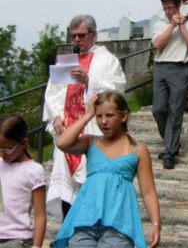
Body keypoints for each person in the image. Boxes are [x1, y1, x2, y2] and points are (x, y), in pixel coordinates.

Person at [43, 14, 126, 222]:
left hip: (93, 131)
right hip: (67, 130)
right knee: (65, 187)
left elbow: (118, 90)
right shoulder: (66, 63)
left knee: (91, 184)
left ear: (93, 34)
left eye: (81, 35)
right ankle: (67, 227)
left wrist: (90, 81)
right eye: (73, 36)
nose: (77, 40)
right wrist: (55, 117)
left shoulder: (107, 60)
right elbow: (52, 92)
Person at [53, 91, 161, 248]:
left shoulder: (138, 150)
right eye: (99, 116)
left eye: (109, 115)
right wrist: (88, 115)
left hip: (118, 223)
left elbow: (148, 191)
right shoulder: (90, 142)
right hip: (85, 218)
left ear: (123, 116)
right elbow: (62, 143)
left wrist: (155, 223)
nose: (103, 121)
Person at [152, 0, 188, 169]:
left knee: (175, 109)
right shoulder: (159, 24)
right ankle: (171, 142)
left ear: (178, 6)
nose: (168, 12)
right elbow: (158, 44)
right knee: (158, 109)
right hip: (161, 67)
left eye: (170, 8)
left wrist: (182, 27)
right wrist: (172, 25)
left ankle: (170, 151)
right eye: (165, 8)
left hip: (180, 68)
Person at [0, 114, 47, 248]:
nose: (2, 154)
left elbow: (40, 214)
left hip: (17, 239)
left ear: (23, 143)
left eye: (7, 149)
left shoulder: (33, 171)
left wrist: (36, 246)